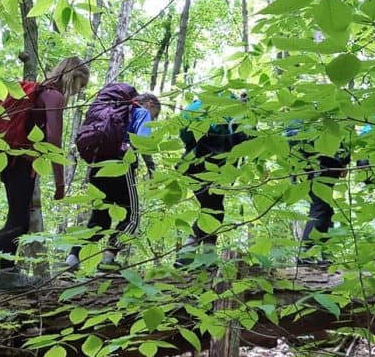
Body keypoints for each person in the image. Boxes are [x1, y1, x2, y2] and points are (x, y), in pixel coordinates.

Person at [0, 57, 90, 292]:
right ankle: (8, 276)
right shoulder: (54, 96)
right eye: (79, 85)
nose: (79, 92)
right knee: (18, 222)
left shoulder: (39, 92)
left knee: (16, 218)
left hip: (10, 159)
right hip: (20, 161)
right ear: (72, 77)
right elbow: (54, 140)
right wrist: (60, 183)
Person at [65, 92, 161, 271]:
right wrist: (151, 168)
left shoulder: (114, 111)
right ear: (149, 103)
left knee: (99, 220)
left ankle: (73, 257)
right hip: (121, 165)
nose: (153, 119)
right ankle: (108, 259)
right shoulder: (141, 112)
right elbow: (143, 142)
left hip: (97, 167)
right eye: (155, 114)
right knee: (132, 216)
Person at [176, 93, 250, 265]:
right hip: (216, 165)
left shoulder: (200, 109)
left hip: (190, 164)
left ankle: (207, 256)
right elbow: (245, 141)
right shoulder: (234, 115)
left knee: (212, 208)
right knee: (212, 210)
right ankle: (187, 253)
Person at [286, 117, 350, 265]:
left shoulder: (301, 117)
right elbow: (341, 134)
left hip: (306, 163)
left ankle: (326, 254)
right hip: (326, 162)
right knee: (320, 208)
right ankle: (305, 255)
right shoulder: (330, 112)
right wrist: (344, 161)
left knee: (325, 209)